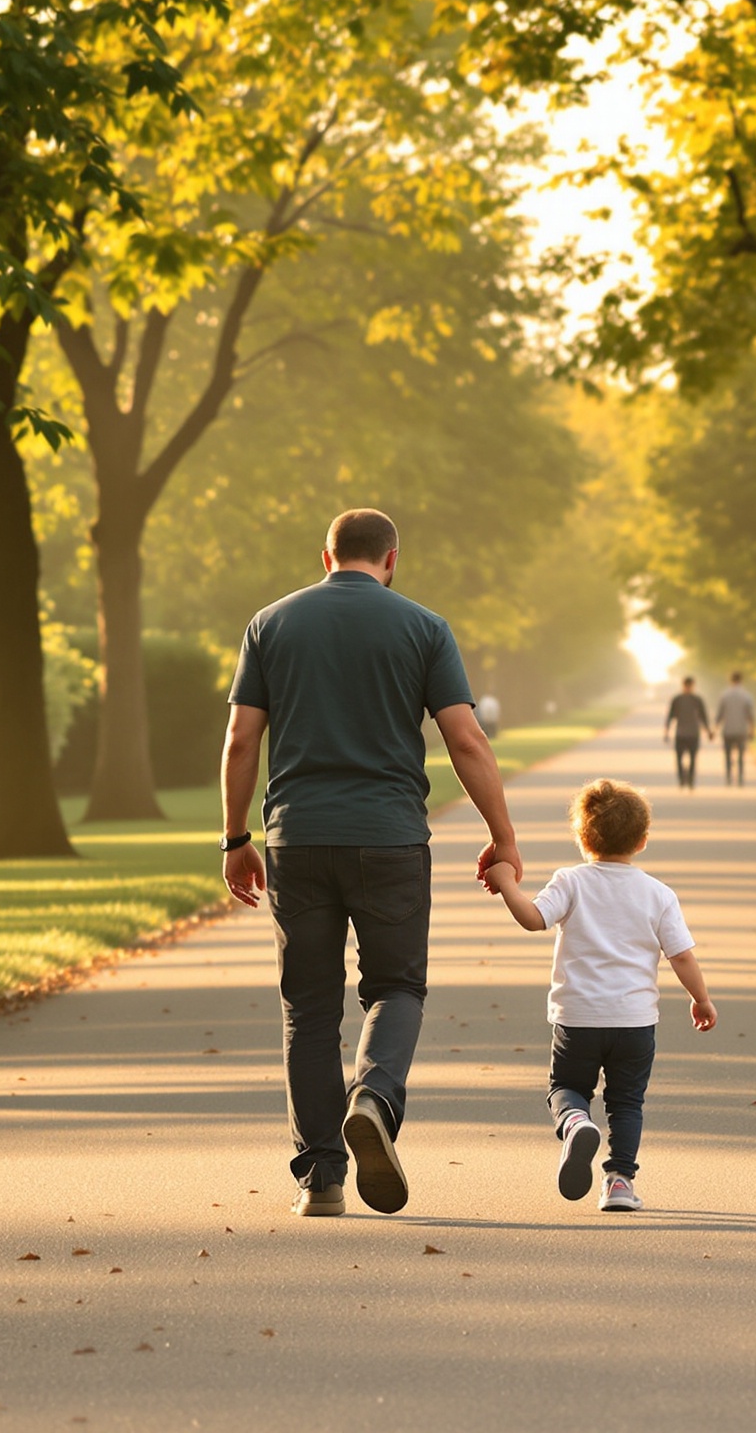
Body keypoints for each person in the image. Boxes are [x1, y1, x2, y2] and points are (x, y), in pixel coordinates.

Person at [220, 508, 523, 1219]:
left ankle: (320, 1179)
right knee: (396, 986)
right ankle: (375, 1098)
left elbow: (241, 740)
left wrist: (235, 840)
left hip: (296, 839)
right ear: (392, 559)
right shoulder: (423, 626)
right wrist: (502, 835)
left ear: (325, 557)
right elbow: (467, 740)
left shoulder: (270, 624)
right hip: (390, 838)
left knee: (309, 1007)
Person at [483, 778, 714, 1213]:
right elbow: (681, 956)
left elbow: (534, 919)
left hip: (577, 1018)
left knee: (567, 1087)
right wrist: (701, 998)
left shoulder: (570, 882)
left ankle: (574, 1122)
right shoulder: (658, 894)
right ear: (642, 841)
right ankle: (620, 1182)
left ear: (582, 838)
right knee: (627, 1102)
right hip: (634, 1021)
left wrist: (506, 883)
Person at [663, 675, 709, 789]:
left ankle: (690, 780)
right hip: (682, 733)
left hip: (691, 733)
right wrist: (667, 731)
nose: (688, 687)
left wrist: (708, 731)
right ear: (684, 685)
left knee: (692, 759)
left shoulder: (696, 700)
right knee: (680, 759)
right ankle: (682, 779)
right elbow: (670, 716)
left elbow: (703, 717)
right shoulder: (678, 699)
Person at [715, 671, 756, 786]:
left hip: (728, 729)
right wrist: (752, 729)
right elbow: (750, 715)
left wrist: (715, 729)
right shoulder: (747, 695)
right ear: (741, 680)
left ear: (730, 680)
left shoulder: (724, 695)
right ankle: (740, 778)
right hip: (741, 730)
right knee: (741, 755)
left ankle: (729, 777)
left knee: (728, 755)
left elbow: (720, 714)